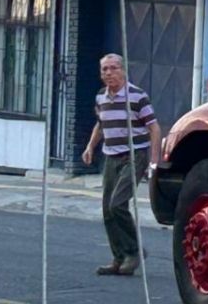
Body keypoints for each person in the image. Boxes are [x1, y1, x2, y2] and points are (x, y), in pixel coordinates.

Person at [81, 54, 161, 277]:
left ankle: (134, 251)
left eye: (113, 68)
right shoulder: (101, 98)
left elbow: (154, 128)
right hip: (111, 156)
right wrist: (90, 147)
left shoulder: (137, 96)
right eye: (104, 69)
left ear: (123, 71)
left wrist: (154, 160)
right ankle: (119, 257)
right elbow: (101, 124)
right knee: (107, 210)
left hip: (134, 156)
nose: (109, 73)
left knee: (118, 204)